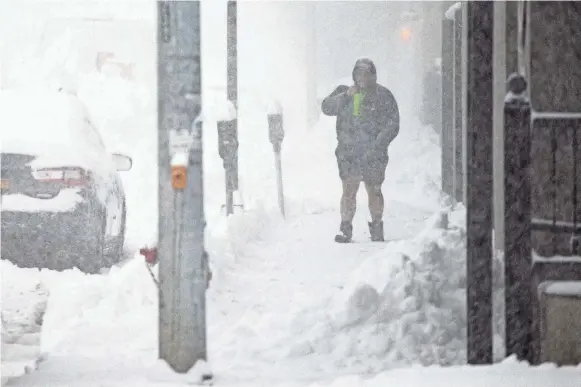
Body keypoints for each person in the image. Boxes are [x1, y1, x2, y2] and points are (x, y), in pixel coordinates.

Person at [321, 58, 400, 243]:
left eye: (365, 74)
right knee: (349, 190)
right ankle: (345, 228)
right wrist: (346, 96)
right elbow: (326, 107)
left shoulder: (383, 95)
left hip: (374, 153)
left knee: (374, 190)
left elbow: (393, 123)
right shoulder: (345, 92)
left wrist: (379, 143)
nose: (361, 78)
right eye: (358, 74)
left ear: (373, 75)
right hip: (349, 152)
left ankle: (377, 226)